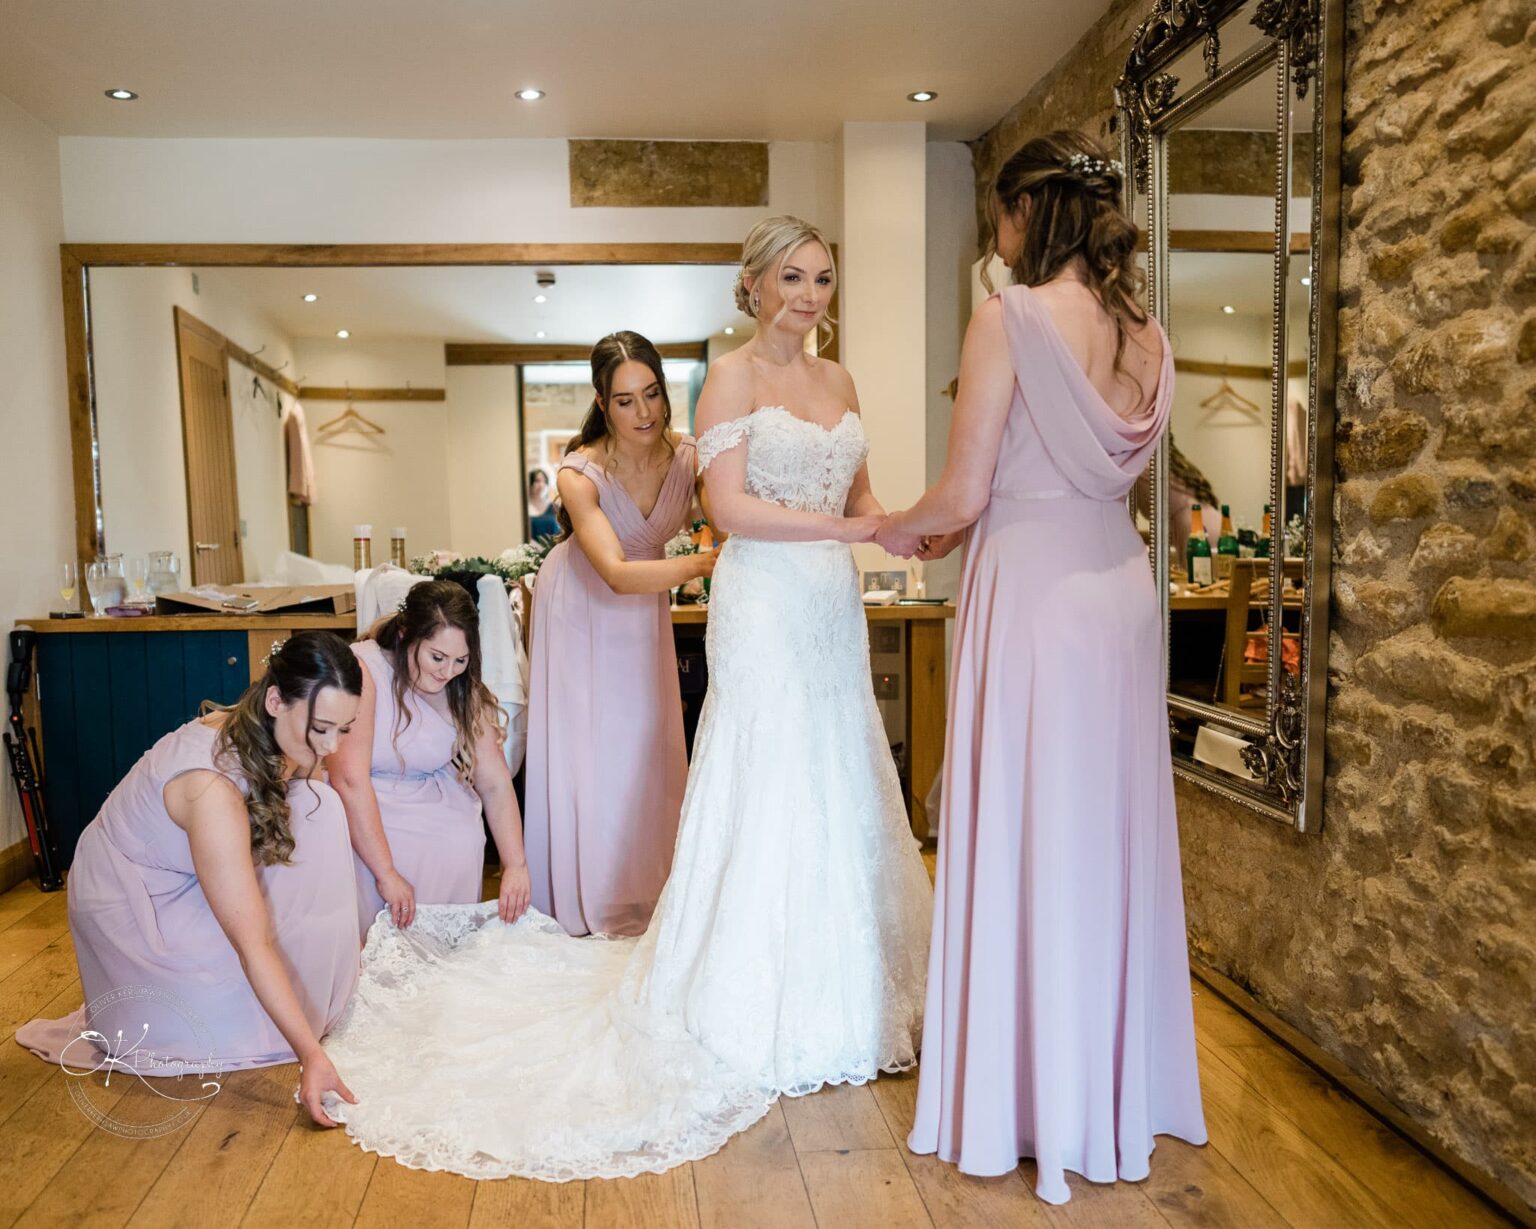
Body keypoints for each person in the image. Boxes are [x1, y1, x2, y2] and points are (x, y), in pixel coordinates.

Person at [313, 215, 934, 1181]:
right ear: (755, 285)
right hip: (693, 600)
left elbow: (860, 491)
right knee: (713, 766)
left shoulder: (836, 386)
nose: (810, 295)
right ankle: (620, 915)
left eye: (823, 278)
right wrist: (833, 529)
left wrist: (896, 525)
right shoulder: (712, 390)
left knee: (836, 768)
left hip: (822, 600)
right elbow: (721, 518)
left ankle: (846, 976)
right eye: (792, 277)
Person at [877, 131, 1208, 1204]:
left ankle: (1022, 1093)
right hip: (1116, 585)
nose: (997, 236)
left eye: (1000, 217)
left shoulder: (1007, 318)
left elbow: (964, 492)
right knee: (1099, 828)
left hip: (1028, 590)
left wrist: (897, 527)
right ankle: (1103, 1085)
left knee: (1029, 821)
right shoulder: (1148, 332)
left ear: (1028, 211)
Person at [15, 631, 364, 1127]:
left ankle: (318, 984)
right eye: (321, 728)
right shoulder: (210, 791)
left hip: (177, 868)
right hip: (133, 904)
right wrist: (310, 1054)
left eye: (345, 729)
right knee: (230, 1007)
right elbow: (253, 943)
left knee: (319, 808)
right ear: (275, 700)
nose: (330, 747)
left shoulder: (262, 726)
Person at [524, 331, 716, 937]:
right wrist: (702, 564)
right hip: (583, 601)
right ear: (603, 403)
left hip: (643, 608)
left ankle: (645, 891)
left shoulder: (691, 458)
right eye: (626, 400)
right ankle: (588, 892)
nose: (644, 412)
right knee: (592, 744)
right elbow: (615, 572)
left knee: (645, 738)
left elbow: (729, 513)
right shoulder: (580, 473)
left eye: (653, 394)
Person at [328, 578, 531, 942]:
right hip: (368, 803)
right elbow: (348, 779)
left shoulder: (459, 685)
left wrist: (515, 864)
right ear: (406, 634)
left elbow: (495, 781)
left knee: (462, 837)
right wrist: (387, 872)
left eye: (460, 660)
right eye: (436, 657)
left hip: (436, 805)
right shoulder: (364, 670)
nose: (446, 671)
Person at [528, 469, 560, 539]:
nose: (541, 485)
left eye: (544, 481)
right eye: (537, 481)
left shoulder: (554, 507)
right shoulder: (524, 507)